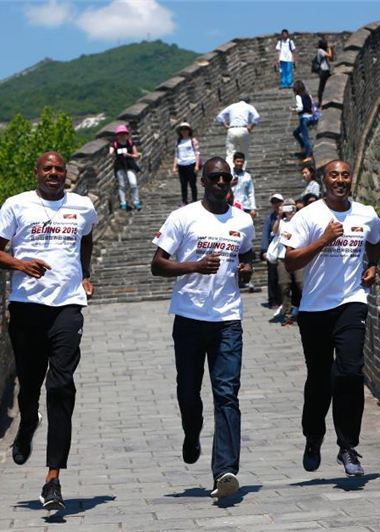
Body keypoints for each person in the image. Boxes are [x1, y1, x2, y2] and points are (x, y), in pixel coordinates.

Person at [0, 151, 98, 511]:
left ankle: (53, 479)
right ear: (36, 172)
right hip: (27, 308)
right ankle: (27, 422)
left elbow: (86, 239)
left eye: (59, 169)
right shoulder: (17, 205)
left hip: (68, 306)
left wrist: (84, 275)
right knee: (30, 385)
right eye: (47, 168)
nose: (53, 173)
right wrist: (20, 264)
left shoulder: (82, 206)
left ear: (66, 174)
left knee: (62, 386)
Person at [150, 157, 255, 499]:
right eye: (215, 177)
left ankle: (225, 470)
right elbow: (157, 265)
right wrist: (193, 266)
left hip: (227, 320)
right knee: (188, 393)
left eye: (227, 177)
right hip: (190, 319)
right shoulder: (184, 217)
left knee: (226, 394)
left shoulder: (243, 220)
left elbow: (248, 256)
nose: (222, 182)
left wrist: (246, 271)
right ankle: (191, 431)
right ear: (203, 180)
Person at [281, 159, 380, 478]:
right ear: (324, 180)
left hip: (352, 302)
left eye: (345, 175)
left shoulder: (366, 213)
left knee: (351, 373)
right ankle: (313, 436)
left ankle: (348, 446)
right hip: (314, 310)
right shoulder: (307, 217)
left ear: (352, 179)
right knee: (320, 380)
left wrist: (373, 265)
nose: (340, 180)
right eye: (334, 175)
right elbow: (290, 262)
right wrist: (324, 239)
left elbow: (376, 241)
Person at [272, 199, 301, 326]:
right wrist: (279, 215)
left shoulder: (300, 220)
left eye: (291, 207)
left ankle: (305, 311)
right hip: (282, 258)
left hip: (298, 256)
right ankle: (287, 314)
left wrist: (297, 213)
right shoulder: (281, 222)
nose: (289, 210)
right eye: (287, 207)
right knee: (284, 286)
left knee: (302, 284)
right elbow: (274, 231)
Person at [216, 97, 260, 169]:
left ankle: (229, 171)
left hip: (232, 129)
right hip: (243, 129)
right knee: (244, 153)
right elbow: (256, 117)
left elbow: (219, 116)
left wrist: (225, 125)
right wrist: (251, 126)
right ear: (247, 101)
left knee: (230, 153)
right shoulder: (248, 106)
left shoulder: (232, 106)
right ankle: (242, 170)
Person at [110, 124, 142, 211]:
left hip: (130, 165)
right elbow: (110, 153)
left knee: (133, 184)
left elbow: (136, 155)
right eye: (120, 134)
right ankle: (123, 203)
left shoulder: (130, 143)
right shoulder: (115, 144)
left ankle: (136, 202)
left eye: (124, 133)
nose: (122, 135)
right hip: (119, 166)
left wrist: (129, 155)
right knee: (122, 185)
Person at [260, 193, 284, 311]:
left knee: (283, 277)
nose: (276, 204)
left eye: (278, 201)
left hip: (284, 250)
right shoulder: (270, 218)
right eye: (273, 202)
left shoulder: (287, 216)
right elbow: (265, 234)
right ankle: (273, 300)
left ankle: (282, 300)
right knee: (272, 277)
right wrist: (264, 249)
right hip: (273, 250)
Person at [173, 122, 200, 205]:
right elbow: (176, 155)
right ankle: (184, 201)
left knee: (192, 183)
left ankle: (194, 200)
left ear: (189, 130)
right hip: (181, 165)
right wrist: (174, 167)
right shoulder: (178, 141)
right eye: (182, 129)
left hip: (191, 163)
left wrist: (196, 165)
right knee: (183, 184)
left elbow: (197, 153)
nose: (184, 131)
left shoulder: (192, 140)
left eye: (186, 129)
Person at [290, 80, 314, 164]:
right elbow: (312, 104)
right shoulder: (308, 94)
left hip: (303, 118)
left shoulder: (298, 96)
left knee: (305, 137)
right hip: (310, 117)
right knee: (296, 133)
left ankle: (308, 155)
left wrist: (294, 109)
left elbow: (300, 108)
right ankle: (303, 146)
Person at [231, 152, 256, 218]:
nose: (240, 164)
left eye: (241, 162)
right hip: (232, 206)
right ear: (233, 161)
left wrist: (253, 208)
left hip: (245, 206)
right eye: (238, 161)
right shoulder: (229, 174)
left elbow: (251, 192)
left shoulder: (247, 176)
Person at [315, 39, 335, 109]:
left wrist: (331, 49)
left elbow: (331, 58)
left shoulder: (324, 51)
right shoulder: (320, 51)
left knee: (330, 85)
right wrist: (329, 48)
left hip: (326, 71)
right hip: (323, 71)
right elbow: (329, 56)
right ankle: (320, 104)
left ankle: (326, 102)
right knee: (321, 88)